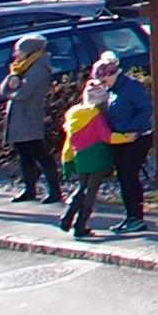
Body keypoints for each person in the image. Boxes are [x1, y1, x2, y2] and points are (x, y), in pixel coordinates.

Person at [0, 35, 59, 205]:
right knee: (24, 155)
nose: (15, 54)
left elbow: (23, 93)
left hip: (29, 118)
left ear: (30, 51)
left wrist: (12, 90)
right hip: (18, 118)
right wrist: (12, 80)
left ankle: (55, 190)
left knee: (39, 153)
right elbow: (2, 90)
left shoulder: (38, 68)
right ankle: (29, 189)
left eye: (20, 51)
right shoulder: (19, 68)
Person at [58, 60, 117, 238]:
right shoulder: (97, 117)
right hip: (97, 157)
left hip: (81, 157)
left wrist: (67, 161)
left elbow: (69, 141)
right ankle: (80, 224)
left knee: (81, 186)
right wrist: (126, 137)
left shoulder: (75, 115)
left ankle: (68, 215)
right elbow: (107, 136)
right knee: (91, 191)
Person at [101, 52, 154, 234]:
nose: (103, 81)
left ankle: (137, 217)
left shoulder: (131, 87)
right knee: (123, 176)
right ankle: (130, 216)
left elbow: (145, 109)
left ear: (113, 73)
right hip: (120, 139)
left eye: (105, 77)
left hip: (138, 137)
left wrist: (129, 128)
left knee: (129, 175)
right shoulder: (111, 91)